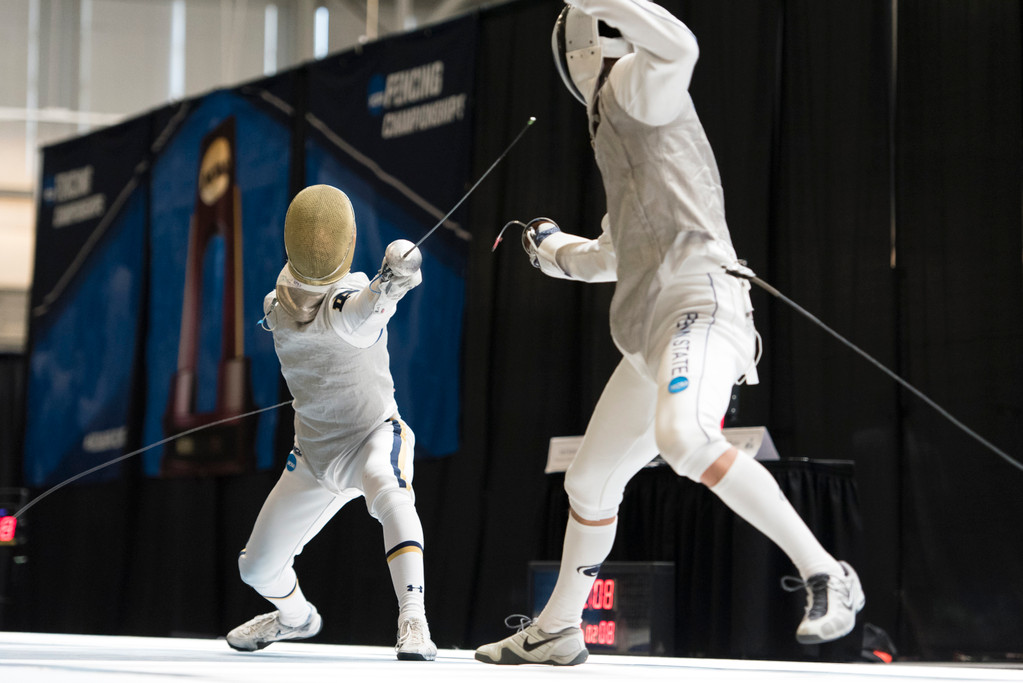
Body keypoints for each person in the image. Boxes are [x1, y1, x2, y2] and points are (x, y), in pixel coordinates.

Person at [475, 0, 864, 666]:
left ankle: (827, 572)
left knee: (685, 438)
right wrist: (550, 248)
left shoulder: (635, 86)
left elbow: (679, 47)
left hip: (700, 304)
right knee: (589, 482)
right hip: (650, 331)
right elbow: (610, 255)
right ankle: (559, 629)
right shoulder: (614, 130)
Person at [225, 184, 437, 661]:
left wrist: (391, 283)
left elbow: (367, 304)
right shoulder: (280, 305)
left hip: (373, 436)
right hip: (314, 457)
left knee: (390, 490)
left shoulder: (298, 305)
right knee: (256, 568)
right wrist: (395, 278)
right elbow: (358, 306)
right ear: (351, 241)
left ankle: (414, 618)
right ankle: (296, 619)